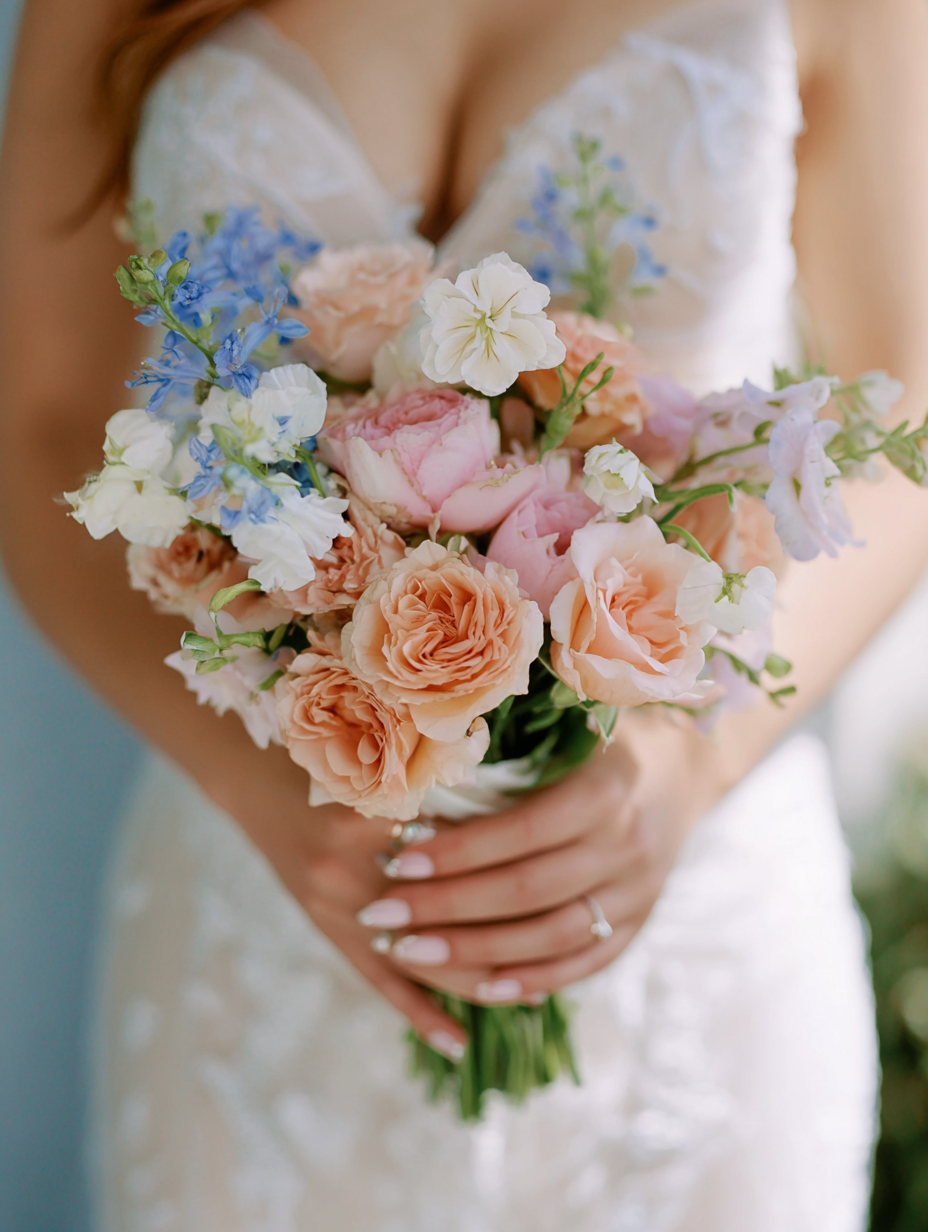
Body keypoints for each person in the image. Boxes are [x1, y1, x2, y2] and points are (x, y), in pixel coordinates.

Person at [2, 0, 928, 1226]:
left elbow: (901, 428)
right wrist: (266, 787)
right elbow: (43, 430)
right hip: (264, 907)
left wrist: (686, 761)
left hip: (681, 912)